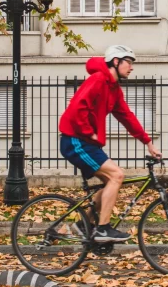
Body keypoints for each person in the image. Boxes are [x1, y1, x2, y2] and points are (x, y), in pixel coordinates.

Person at [59, 45, 162, 242]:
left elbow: (127, 117)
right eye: (129, 62)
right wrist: (90, 133)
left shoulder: (113, 88)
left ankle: (83, 224)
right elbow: (78, 107)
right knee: (117, 175)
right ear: (116, 62)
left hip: (85, 142)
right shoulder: (98, 80)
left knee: (111, 181)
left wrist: (147, 142)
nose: (131, 68)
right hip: (76, 141)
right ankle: (103, 229)